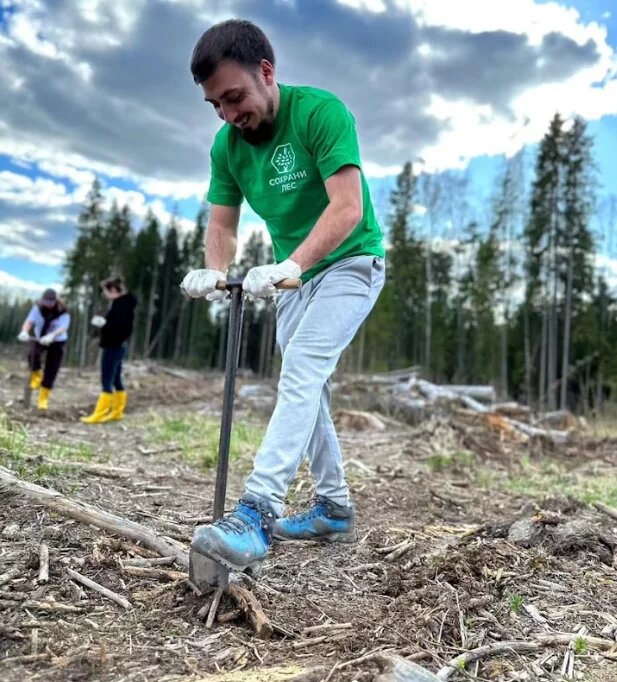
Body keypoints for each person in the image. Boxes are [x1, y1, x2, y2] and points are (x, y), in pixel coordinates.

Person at [181, 19, 385, 575]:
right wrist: (213, 271)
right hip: (293, 279)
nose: (227, 114)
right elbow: (222, 224)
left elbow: (347, 207)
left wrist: (294, 262)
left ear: (266, 73)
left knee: (300, 368)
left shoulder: (321, 112)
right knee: (306, 384)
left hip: (350, 261)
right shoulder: (228, 146)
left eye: (234, 97)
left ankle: (256, 512)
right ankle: (335, 508)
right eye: (215, 106)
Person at [81, 276, 137, 424]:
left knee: (106, 379)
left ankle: (99, 413)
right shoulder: (123, 304)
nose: (104, 294)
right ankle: (117, 411)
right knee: (117, 379)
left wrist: (103, 327)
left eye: (105, 291)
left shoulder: (121, 306)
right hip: (118, 346)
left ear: (113, 290)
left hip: (113, 346)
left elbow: (121, 329)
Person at [17, 288, 70, 410]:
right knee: (32, 355)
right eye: (45, 302)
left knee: (52, 368)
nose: (48, 305)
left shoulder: (63, 311)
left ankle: (43, 398)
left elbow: (63, 328)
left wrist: (52, 335)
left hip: (57, 340)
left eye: (50, 303)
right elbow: (29, 321)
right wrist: (24, 331)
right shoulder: (37, 308)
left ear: (55, 301)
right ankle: (36, 375)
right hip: (39, 338)